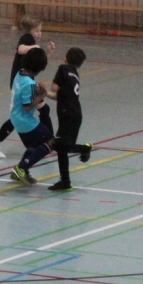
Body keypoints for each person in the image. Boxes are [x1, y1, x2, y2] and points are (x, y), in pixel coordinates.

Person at [0, 15, 55, 158]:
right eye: (36, 31)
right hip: (21, 82)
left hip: (23, 81)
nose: (39, 34)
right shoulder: (27, 38)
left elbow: (38, 62)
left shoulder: (32, 43)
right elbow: (21, 49)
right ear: (29, 31)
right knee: (19, 115)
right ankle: (49, 142)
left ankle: (49, 142)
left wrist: (47, 53)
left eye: (40, 31)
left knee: (29, 113)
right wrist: (35, 47)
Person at [8, 47, 59, 185]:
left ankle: (21, 171)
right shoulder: (29, 83)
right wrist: (41, 95)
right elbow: (27, 106)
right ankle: (21, 168)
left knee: (34, 146)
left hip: (16, 118)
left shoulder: (20, 74)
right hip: (24, 120)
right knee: (51, 142)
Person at [46, 47, 93, 191]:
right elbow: (60, 96)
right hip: (75, 115)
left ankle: (84, 148)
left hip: (68, 115)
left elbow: (54, 88)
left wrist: (50, 85)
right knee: (62, 149)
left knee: (60, 146)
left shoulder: (63, 68)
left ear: (65, 57)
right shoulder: (75, 75)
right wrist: (44, 94)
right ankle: (65, 181)